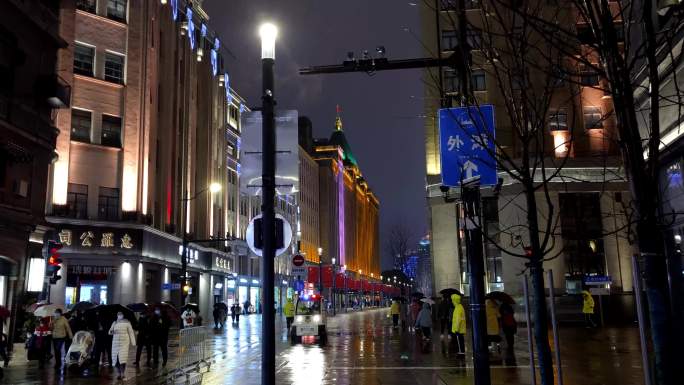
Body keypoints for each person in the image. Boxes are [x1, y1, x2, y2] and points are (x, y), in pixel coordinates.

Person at [109, 312, 136, 380]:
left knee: (123, 359)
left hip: (124, 343)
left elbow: (131, 332)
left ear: (123, 315)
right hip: (115, 343)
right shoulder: (114, 322)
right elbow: (109, 332)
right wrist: (112, 332)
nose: (119, 315)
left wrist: (133, 342)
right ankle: (119, 373)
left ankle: (123, 374)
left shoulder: (127, 322)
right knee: (116, 359)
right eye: (118, 314)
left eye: (121, 314)